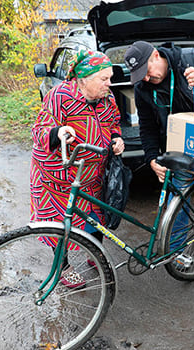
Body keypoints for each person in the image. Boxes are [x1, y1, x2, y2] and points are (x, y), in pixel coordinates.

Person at [124, 41, 194, 248]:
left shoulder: (191, 58)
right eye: (141, 76)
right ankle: (175, 249)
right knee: (179, 194)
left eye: (146, 71)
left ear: (156, 56)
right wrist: (151, 159)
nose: (147, 78)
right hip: (177, 146)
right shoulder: (143, 88)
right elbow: (147, 127)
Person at [30, 50, 125, 288]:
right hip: (58, 178)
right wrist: (58, 132)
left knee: (95, 218)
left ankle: (94, 252)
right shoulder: (60, 96)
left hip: (92, 176)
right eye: (104, 79)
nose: (109, 84)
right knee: (60, 224)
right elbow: (39, 129)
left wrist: (116, 139)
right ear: (83, 79)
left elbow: (114, 123)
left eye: (109, 78)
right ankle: (63, 267)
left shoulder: (107, 98)